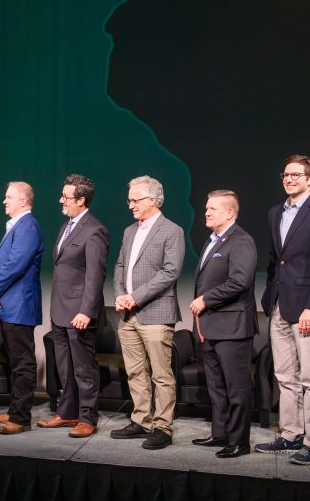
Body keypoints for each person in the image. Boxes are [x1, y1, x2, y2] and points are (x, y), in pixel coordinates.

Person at [255, 154, 310, 465]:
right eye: (286, 175)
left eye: (296, 175)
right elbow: (275, 259)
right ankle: (290, 435)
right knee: (284, 375)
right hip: (279, 305)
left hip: (306, 308)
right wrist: (270, 297)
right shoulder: (275, 212)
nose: (289, 179)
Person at [110, 175, 184, 450]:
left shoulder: (171, 230)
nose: (130, 205)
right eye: (129, 200)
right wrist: (120, 294)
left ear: (153, 200)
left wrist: (135, 297)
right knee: (135, 372)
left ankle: (162, 427)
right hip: (128, 315)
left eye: (135, 200)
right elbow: (120, 266)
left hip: (156, 313)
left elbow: (170, 272)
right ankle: (141, 420)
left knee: (161, 375)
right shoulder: (130, 231)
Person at [189, 190, 257, 458]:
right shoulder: (212, 240)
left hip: (232, 327)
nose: (206, 212)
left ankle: (239, 442)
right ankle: (220, 434)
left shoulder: (241, 240)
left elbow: (240, 281)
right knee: (216, 386)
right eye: (206, 208)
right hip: (210, 327)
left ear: (229, 212)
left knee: (236, 388)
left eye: (212, 209)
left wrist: (206, 299)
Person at [40, 174, 109, 438]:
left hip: (79, 313)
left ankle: (88, 418)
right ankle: (68, 412)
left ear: (81, 200)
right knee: (65, 368)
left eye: (66, 197)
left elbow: (95, 275)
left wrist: (86, 311)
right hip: (60, 311)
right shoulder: (67, 226)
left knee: (84, 369)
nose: (61, 200)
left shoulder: (95, 230)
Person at [0, 182, 43, 435]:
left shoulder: (28, 226)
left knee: (22, 363)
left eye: (9, 197)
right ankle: (14, 410)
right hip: (9, 303)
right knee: (15, 362)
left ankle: (20, 418)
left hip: (19, 304)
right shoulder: (19, 225)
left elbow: (15, 265)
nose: (4, 201)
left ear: (23, 201)